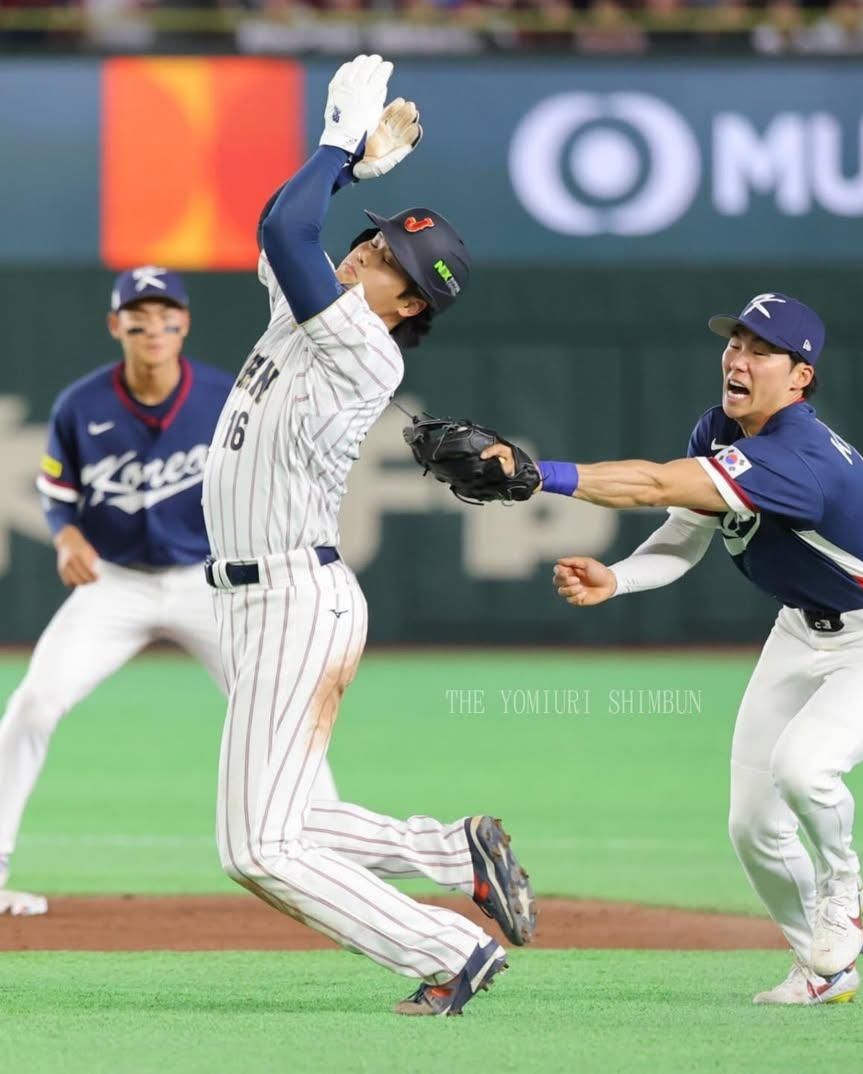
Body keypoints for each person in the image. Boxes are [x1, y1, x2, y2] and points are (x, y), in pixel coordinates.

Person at [485, 291, 863, 1006]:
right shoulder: (721, 429)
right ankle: (823, 972)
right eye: (735, 343)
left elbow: (654, 482)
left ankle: (843, 884)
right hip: (802, 629)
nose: (739, 357)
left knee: (805, 766)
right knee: (753, 826)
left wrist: (540, 474)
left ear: (801, 377)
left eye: (762, 350)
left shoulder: (797, 459)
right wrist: (618, 578)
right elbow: (686, 526)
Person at [200, 54, 535, 1018]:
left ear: (411, 306)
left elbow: (282, 226)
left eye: (392, 265)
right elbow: (286, 230)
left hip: (294, 600)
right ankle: (451, 850)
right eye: (377, 242)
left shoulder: (362, 348)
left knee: (256, 846)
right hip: (263, 599)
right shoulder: (312, 312)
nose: (367, 256)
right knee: (292, 818)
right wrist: (344, 173)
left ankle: (446, 948)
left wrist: (339, 142)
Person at [0, 267, 260, 915]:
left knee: (273, 709)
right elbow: (58, 494)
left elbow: (261, 485)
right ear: (115, 325)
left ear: (185, 324)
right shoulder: (80, 405)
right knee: (32, 707)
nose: (153, 325)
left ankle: (325, 857)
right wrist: (66, 538)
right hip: (114, 583)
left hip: (206, 582)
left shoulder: (224, 398)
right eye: (137, 314)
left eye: (166, 312)